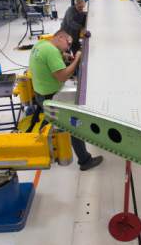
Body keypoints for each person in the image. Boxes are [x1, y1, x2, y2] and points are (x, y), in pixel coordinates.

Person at [28, 29, 103, 171]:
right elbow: (62, 76)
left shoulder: (42, 45)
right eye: (68, 44)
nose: (69, 47)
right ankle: (85, 160)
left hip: (39, 93)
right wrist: (76, 59)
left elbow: (50, 59)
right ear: (61, 37)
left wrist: (64, 56)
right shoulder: (51, 53)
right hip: (51, 97)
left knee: (50, 119)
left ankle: (40, 145)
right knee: (74, 124)